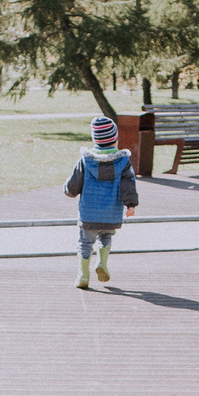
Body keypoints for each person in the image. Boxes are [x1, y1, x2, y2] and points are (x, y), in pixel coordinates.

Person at [64, 114, 139, 290]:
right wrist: (131, 204)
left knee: (84, 243)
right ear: (115, 139)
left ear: (94, 139)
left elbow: (74, 183)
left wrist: (68, 190)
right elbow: (129, 184)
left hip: (89, 213)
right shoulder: (123, 161)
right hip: (110, 213)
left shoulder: (85, 160)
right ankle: (102, 263)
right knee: (105, 236)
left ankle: (83, 276)